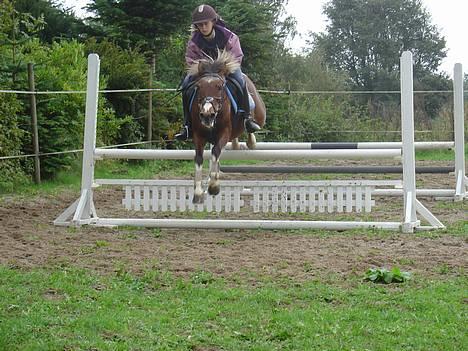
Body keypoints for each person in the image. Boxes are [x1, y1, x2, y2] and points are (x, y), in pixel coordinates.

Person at [175, 4, 261, 141]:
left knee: (241, 81)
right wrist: (200, 68)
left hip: (226, 69)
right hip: (204, 73)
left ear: (213, 22)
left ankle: (247, 119)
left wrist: (225, 68)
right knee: (186, 84)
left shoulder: (228, 36)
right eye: (199, 25)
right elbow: (190, 60)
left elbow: (237, 56)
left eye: (205, 24)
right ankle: (187, 125)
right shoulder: (194, 41)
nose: (203, 28)